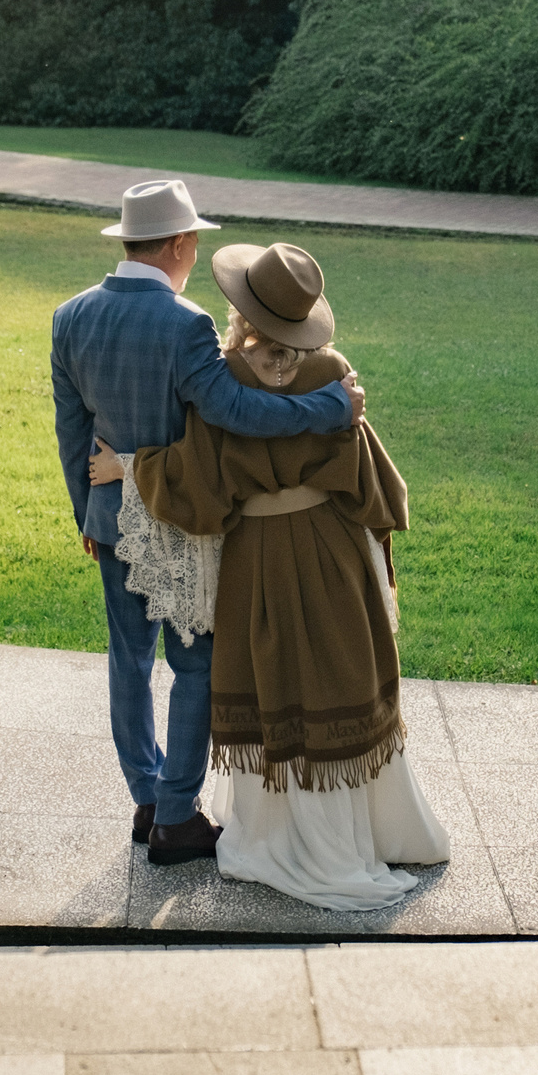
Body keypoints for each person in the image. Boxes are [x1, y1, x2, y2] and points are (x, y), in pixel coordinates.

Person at [88, 241, 449, 911]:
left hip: (259, 558)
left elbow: (195, 485)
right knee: (336, 670)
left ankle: (272, 835)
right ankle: (362, 831)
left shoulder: (228, 380)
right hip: (332, 553)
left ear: (242, 308)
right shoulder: (334, 376)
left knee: (273, 674)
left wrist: (130, 466)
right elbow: (374, 484)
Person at [51, 181, 364, 867]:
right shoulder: (187, 323)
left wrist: (86, 511)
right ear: (180, 244)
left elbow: (71, 431)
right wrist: (330, 411)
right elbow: (238, 414)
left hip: (110, 520)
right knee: (194, 666)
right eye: (193, 242)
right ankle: (175, 812)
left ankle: (144, 794)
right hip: (180, 519)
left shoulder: (69, 317)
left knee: (127, 660)